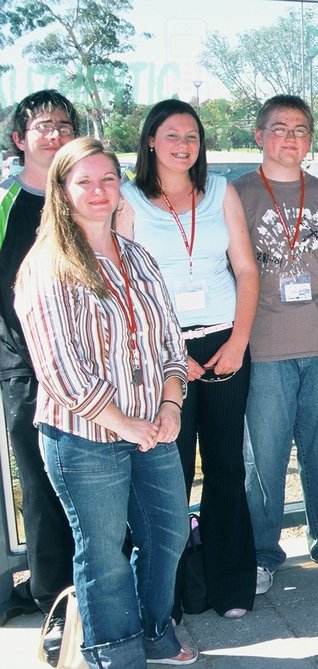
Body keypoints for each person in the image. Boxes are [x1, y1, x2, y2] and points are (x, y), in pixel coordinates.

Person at [14, 138, 195, 667]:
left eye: (108, 179)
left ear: (121, 189)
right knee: (104, 556)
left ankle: (156, 632)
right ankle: (113, 654)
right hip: (83, 439)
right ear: (62, 191)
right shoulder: (46, 266)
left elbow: (169, 344)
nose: (98, 191)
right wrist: (125, 423)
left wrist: (170, 405)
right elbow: (60, 370)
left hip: (152, 429)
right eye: (84, 181)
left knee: (168, 535)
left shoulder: (138, 258)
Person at [118, 99, 259, 620]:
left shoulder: (222, 192)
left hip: (225, 342)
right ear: (151, 140)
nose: (183, 145)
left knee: (225, 467)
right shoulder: (129, 199)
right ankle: (168, 595)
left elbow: (245, 269)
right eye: (171, 135)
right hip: (160, 351)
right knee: (168, 473)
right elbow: (127, 288)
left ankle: (230, 588)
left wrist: (239, 341)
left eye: (192, 136)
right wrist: (172, 353)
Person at [235, 94, 318, 596]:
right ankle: (261, 555)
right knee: (264, 458)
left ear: (310, 139)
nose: (290, 137)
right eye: (279, 128)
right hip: (264, 347)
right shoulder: (238, 195)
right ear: (259, 135)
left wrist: (306, 312)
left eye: (300, 129)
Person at [0, 90, 77, 655]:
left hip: (91, 372)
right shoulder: (6, 203)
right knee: (43, 486)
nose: (53, 134)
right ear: (20, 138)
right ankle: (54, 601)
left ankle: (98, 592)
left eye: (64, 125)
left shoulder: (87, 195)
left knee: (95, 483)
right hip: (25, 372)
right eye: (43, 125)